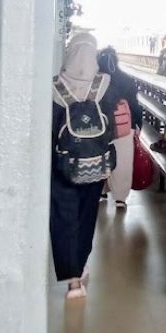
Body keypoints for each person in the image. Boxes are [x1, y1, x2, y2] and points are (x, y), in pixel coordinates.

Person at [51, 33, 118, 299]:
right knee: (86, 217)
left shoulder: (55, 87)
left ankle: (73, 283)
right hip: (94, 165)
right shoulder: (104, 84)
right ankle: (80, 266)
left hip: (61, 166)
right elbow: (110, 126)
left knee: (63, 219)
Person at [97, 47, 142, 208]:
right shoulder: (127, 80)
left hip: (101, 127)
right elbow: (135, 106)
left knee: (102, 158)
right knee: (123, 160)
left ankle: (102, 190)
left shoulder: (96, 80)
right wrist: (138, 125)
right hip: (124, 126)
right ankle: (120, 198)